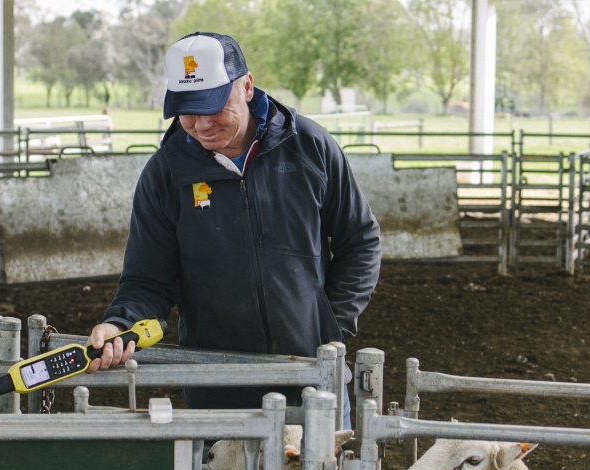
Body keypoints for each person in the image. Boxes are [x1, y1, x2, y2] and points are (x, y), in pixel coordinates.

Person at [85, 32, 381, 408]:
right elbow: (147, 281)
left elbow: (361, 239)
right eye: (187, 109)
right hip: (217, 383)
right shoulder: (166, 174)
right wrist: (120, 325)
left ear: (247, 86)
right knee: (219, 469)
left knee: (318, 468)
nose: (201, 123)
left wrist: (332, 327)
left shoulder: (309, 146)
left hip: (312, 377)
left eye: (212, 105)